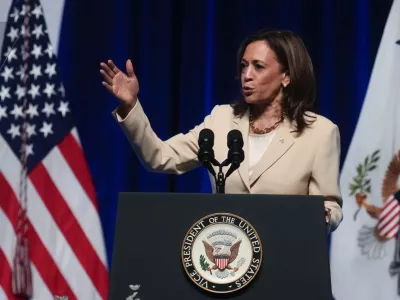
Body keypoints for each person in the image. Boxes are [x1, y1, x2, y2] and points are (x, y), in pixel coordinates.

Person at [100, 28, 343, 232]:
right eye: (244, 66)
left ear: (286, 76)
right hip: (224, 258)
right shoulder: (221, 119)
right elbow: (160, 157)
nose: (246, 76)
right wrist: (131, 104)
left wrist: (323, 216)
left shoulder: (319, 133)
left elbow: (329, 207)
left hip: (285, 261)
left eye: (258, 67)